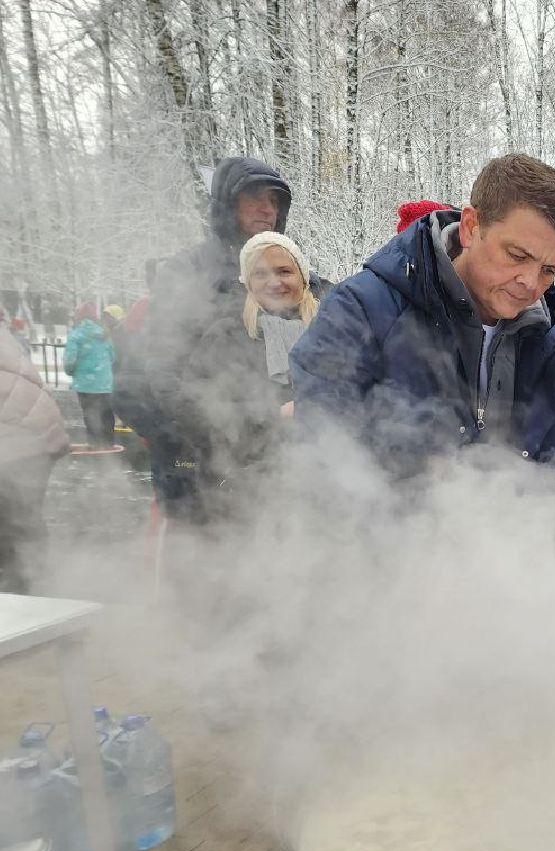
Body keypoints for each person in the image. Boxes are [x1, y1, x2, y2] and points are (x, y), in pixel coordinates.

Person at [290, 154, 555, 479]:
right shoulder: (362, 311)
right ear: (470, 228)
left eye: (549, 270)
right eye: (517, 255)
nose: (531, 282)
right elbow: (325, 459)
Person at [119, 157, 320, 521]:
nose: (266, 208)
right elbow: (154, 374)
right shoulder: (186, 273)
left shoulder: (293, 276)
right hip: (198, 466)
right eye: (254, 197)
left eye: (274, 200)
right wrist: (186, 448)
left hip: (274, 467)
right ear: (227, 205)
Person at [159, 232, 320, 520]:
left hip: (318, 491)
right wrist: (268, 419)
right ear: (247, 282)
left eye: (284, 271)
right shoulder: (226, 333)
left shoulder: (330, 329)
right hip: (241, 492)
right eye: (260, 274)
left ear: (303, 277)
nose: (274, 282)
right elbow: (190, 409)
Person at [0, 331, 68, 592]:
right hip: (38, 434)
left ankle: (21, 601)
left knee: (12, 525)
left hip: (14, 440)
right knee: (24, 521)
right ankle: (35, 590)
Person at [64, 304, 116, 449]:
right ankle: (109, 444)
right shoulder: (105, 334)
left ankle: (94, 444)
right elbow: (113, 357)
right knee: (106, 413)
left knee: (90, 413)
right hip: (105, 383)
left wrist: (72, 371)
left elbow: (69, 362)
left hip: (86, 384)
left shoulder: (76, 335)